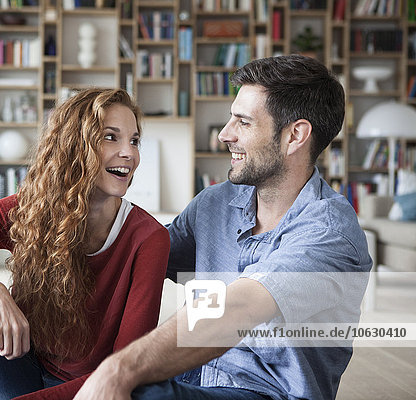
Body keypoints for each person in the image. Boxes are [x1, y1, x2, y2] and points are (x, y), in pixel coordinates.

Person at [72, 55, 372, 400]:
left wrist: (118, 370)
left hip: (264, 393)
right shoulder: (215, 203)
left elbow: (237, 310)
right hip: (195, 379)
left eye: (243, 122)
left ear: (295, 136)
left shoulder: (329, 233)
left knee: (136, 385)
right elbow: (139, 255)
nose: (224, 135)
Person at [0, 88, 170, 400]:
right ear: (74, 145)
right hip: (16, 368)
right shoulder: (28, 209)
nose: (129, 153)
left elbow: (125, 368)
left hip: (91, 390)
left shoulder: (149, 238)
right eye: (110, 137)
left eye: (134, 140)